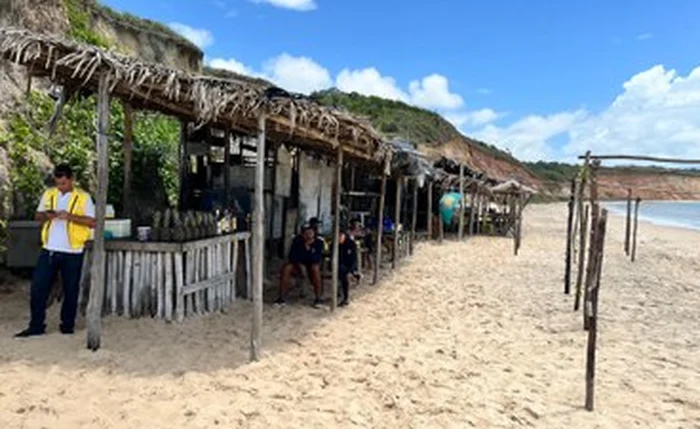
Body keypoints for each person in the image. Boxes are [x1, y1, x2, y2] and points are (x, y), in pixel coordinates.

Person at [16, 164, 96, 338]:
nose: (61, 187)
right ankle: (36, 325)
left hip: (73, 250)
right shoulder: (49, 194)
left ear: (72, 180)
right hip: (49, 248)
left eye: (64, 183)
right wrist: (47, 216)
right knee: (38, 287)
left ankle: (67, 326)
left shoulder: (83, 197)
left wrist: (70, 216)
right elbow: (37, 216)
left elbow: (92, 222)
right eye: (58, 183)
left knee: (71, 289)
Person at [276, 223, 324, 307]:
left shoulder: (318, 242)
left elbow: (317, 259)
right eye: (306, 233)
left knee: (315, 269)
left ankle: (318, 298)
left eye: (310, 232)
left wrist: (309, 250)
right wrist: (300, 265)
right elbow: (292, 256)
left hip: (311, 266)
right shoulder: (297, 241)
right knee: (287, 268)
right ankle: (281, 297)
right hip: (299, 266)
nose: (308, 235)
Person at [338, 230, 360, 307]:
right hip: (339, 266)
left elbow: (354, 260)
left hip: (349, 266)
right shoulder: (335, 245)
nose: (338, 238)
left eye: (340, 236)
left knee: (345, 276)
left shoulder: (351, 244)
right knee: (341, 271)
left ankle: (345, 297)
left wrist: (351, 270)